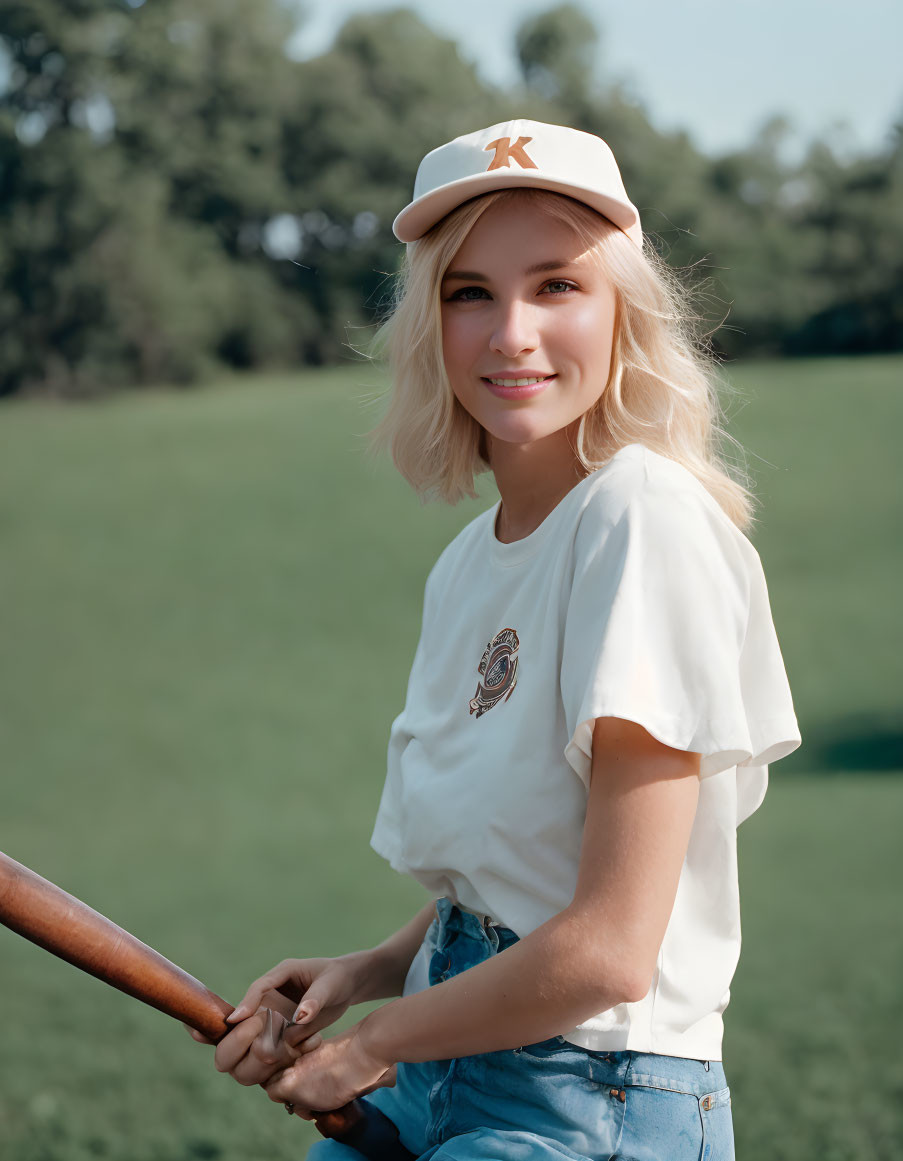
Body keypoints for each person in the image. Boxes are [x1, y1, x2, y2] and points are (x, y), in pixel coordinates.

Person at [188, 119, 802, 1160]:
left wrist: (377, 1043)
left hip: (590, 1098)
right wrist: (370, 971)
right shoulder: (472, 560)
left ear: (623, 315)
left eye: (557, 286)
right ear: (432, 323)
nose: (511, 332)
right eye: (469, 291)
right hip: (450, 1065)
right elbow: (521, 870)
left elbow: (609, 950)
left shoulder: (640, 519)